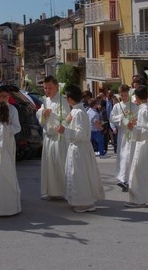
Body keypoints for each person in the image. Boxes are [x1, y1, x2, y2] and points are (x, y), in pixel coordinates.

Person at [56, 84, 105, 213]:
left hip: (80, 147)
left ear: (71, 99)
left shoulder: (78, 112)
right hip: (76, 147)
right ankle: (77, 200)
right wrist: (65, 124)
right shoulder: (75, 111)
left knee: (80, 175)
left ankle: (85, 202)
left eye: (67, 97)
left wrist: (65, 130)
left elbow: (81, 134)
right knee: (75, 173)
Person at [36, 76, 70, 200]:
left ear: (56, 87)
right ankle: (52, 192)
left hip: (59, 137)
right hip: (48, 137)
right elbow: (39, 114)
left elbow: (66, 118)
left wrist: (52, 114)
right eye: (45, 88)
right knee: (49, 166)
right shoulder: (45, 100)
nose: (47, 90)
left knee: (60, 164)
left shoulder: (62, 100)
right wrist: (42, 114)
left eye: (50, 87)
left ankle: (66, 191)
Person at [109, 84, 138, 191]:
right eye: (122, 95)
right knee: (123, 155)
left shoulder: (134, 106)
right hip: (122, 134)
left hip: (131, 132)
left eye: (126, 95)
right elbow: (112, 118)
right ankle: (123, 179)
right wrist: (122, 118)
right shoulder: (117, 106)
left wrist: (131, 121)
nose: (124, 97)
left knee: (128, 155)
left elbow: (137, 118)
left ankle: (128, 179)